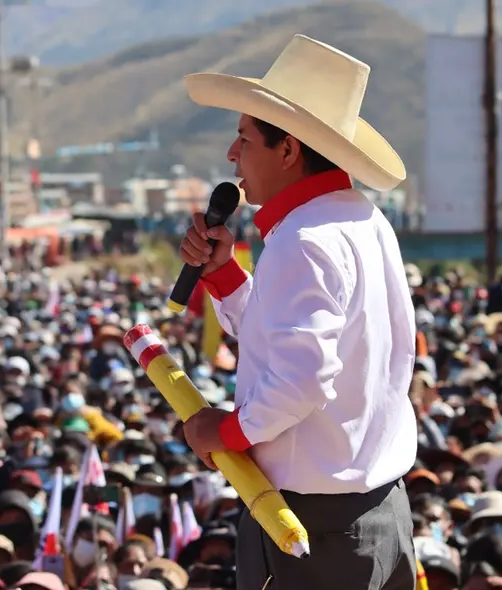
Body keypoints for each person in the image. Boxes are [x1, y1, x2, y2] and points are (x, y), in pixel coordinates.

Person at [177, 35, 417, 589]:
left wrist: (230, 430)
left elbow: (303, 376)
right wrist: (226, 276)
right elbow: (292, 340)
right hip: (375, 513)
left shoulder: (303, 239)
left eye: (244, 139)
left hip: (313, 528)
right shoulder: (360, 218)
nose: (232, 155)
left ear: (288, 151)